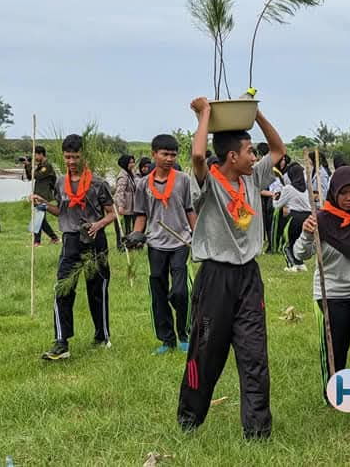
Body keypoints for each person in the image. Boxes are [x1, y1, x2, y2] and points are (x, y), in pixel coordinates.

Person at [177, 97, 285, 439]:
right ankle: (189, 420)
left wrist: (257, 115)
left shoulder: (253, 180)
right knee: (206, 350)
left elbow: (279, 150)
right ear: (231, 157)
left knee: (255, 353)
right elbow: (197, 156)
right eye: (250, 151)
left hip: (248, 277)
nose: (256, 157)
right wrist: (205, 114)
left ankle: (257, 431)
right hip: (215, 278)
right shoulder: (207, 184)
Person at [294, 166, 350, 400]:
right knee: (337, 344)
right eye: (343, 192)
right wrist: (306, 233)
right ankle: (337, 393)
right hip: (332, 292)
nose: (349, 198)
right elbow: (300, 254)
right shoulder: (321, 221)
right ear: (334, 192)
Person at [33, 135, 117, 361]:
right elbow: (61, 211)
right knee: (63, 288)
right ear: (63, 156)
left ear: (83, 156)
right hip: (70, 240)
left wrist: (97, 225)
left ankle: (102, 335)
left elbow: (112, 213)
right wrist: (42, 204)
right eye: (68, 157)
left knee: (96, 290)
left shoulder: (98, 183)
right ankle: (61, 341)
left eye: (76, 157)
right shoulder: (60, 182)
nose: (71, 161)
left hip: (94, 241)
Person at [130, 135, 197, 354]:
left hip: (180, 242)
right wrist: (136, 235)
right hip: (156, 244)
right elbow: (141, 215)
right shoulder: (142, 185)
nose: (169, 158)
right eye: (164, 154)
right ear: (153, 154)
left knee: (180, 292)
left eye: (173, 154)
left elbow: (189, 210)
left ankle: (184, 334)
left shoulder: (183, 180)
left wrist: (197, 235)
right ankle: (166, 340)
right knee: (158, 292)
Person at [273, 162, 312, 272]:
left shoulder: (288, 188)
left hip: (294, 217)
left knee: (287, 243)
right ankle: (300, 263)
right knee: (298, 241)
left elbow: (278, 205)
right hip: (307, 217)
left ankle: (291, 264)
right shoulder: (307, 189)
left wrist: (274, 198)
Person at [26, 146, 60, 245]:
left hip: (43, 195)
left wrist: (30, 165)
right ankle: (53, 238)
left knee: (39, 218)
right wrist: (27, 165)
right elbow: (30, 177)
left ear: (41, 154)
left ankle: (38, 241)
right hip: (38, 194)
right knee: (40, 218)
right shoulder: (40, 165)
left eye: (35, 154)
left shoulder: (47, 166)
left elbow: (37, 175)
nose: (35, 157)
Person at [114, 154, 137, 250]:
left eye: (133, 162)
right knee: (122, 227)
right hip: (124, 206)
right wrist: (121, 206)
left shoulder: (130, 174)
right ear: (125, 164)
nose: (132, 164)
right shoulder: (123, 176)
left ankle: (129, 245)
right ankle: (122, 246)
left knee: (129, 227)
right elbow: (120, 191)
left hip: (130, 206)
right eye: (130, 162)